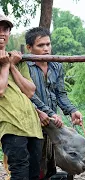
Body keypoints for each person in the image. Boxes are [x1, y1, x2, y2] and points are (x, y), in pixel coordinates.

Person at [25, 27, 83, 179]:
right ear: (29, 48)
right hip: (32, 121)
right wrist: (45, 112)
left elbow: (60, 94)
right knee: (35, 165)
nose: (46, 49)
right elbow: (27, 95)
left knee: (51, 164)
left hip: (52, 123)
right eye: (40, 45)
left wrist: (72, 110)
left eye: (48, 44)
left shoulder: (56, 65)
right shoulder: (25, 67)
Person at [0, 14, 44, 179]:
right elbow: (0, 90)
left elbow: (30, 90)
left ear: (10, 32)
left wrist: (12, 66)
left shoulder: (18, 60)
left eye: (5, 29)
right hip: (11, 125)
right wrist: (5, 66)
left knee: (34, 173)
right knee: (19, 171)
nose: (1, 33)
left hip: (32, 126)